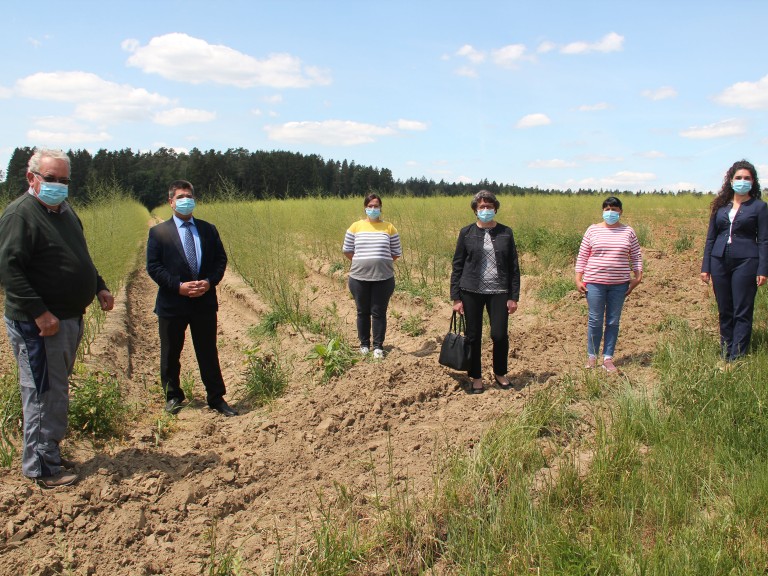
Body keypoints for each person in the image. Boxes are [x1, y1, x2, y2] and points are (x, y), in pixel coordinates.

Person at [0, 147, 114, 488]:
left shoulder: (65, 212)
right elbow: (8, 269)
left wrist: (99, 286)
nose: (59, 186)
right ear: (31, 178)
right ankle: (41, 468)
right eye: (51, 179)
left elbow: (80, 256)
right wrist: (40, 312)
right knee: (42, 392)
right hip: (40, 324)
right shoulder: (21, 215)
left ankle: (48, 452)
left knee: (55, 390)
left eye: (64, 180)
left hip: (66, 319)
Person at [146, 180, 237, 416]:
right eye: (180, 197)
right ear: (171, 202)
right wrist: (178, 286)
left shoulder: (208, 229)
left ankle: (216, 397)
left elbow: (220, 260)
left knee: (207, 351)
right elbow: (154, 267)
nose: (185, 200)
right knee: (170, 353)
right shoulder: (159, 232)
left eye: (189, 196)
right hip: (172, 302)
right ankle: (173, 395)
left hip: (204, 301)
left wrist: (209, 282)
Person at [450, 190, 520, 394]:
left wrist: (513, 296)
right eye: (482, 207)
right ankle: (476, 377)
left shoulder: (506, 232)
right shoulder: (466, 232)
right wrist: (456, 297)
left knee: (499, 335)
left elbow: (513, 266)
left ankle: (500, 373)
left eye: (489, 206)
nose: (486, 210)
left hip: (499, 291)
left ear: (495, 208)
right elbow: (458, 265)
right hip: (470, 291)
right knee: (473, 335)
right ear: (475, 210)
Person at [700, 160, 768, 363]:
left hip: (747, 261)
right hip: (719, 260)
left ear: (753, 182)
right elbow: (711, 237)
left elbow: (764, 240)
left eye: (747, 178)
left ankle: (737, 357)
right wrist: (706, 267)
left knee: (742, 309)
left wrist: (763, 268)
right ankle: (725, 351)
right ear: (731, 180)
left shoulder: (759, 207)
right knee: (725, 309)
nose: (742, 181)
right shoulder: (720, 206)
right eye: (738, 178)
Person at [575, 196, 643, 373]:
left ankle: (608, 358)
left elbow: (636, 256)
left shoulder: (628, 232)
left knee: (613, 321)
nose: (610, 212)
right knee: (595, 320)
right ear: (602, 211)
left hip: (619, 284)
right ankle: (592, 356)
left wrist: (638, 277)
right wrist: (578, 278)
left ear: (621, 211)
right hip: (595, 283)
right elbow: (582, 255)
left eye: (614, 209)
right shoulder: (592, 230)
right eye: (607, 209)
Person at [342, 193, 402, 359]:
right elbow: (347, 250)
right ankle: (364, 345)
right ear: (365, 208)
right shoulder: (355, 227)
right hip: (358, 278)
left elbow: (396, 252)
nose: (373, 209)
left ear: (380, 208)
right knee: (362, 312)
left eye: (376, 206)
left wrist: (381, 262)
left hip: (383, 279)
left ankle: (378, 346)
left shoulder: (389, 228)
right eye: (370, 206)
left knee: (378, 312)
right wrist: (362, 261)